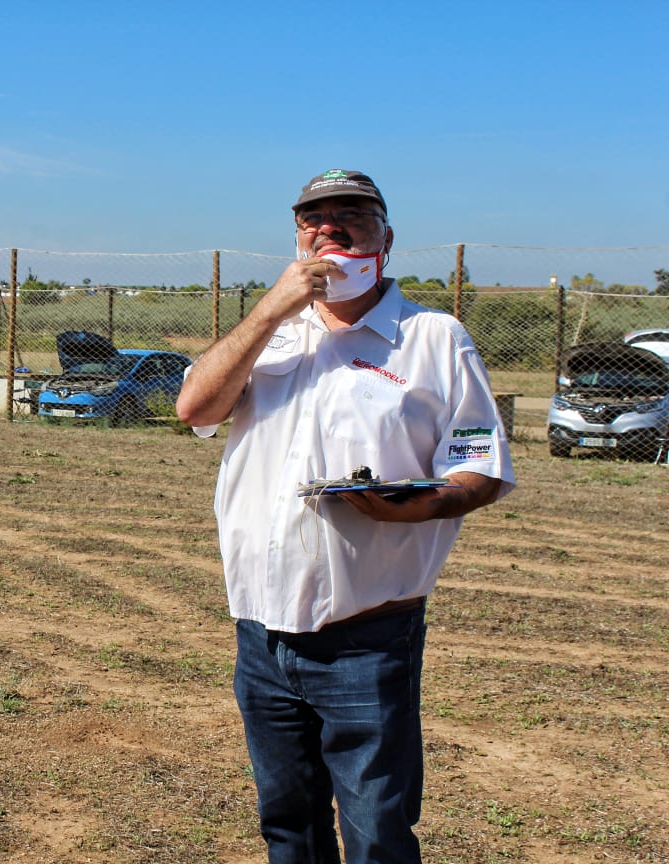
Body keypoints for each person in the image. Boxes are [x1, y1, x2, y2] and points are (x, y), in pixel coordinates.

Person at [175, 169, 515, 864]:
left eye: (350, 218)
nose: (329, 231)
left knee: (376, 836)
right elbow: (195, 409)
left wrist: (420, 506)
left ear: (384, 240)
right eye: (314, 220)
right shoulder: (270, 333)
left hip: (368, 637)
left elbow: (479, 466)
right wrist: (269, 311)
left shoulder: (433, 338)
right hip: (261, 635)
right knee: (288, 828)